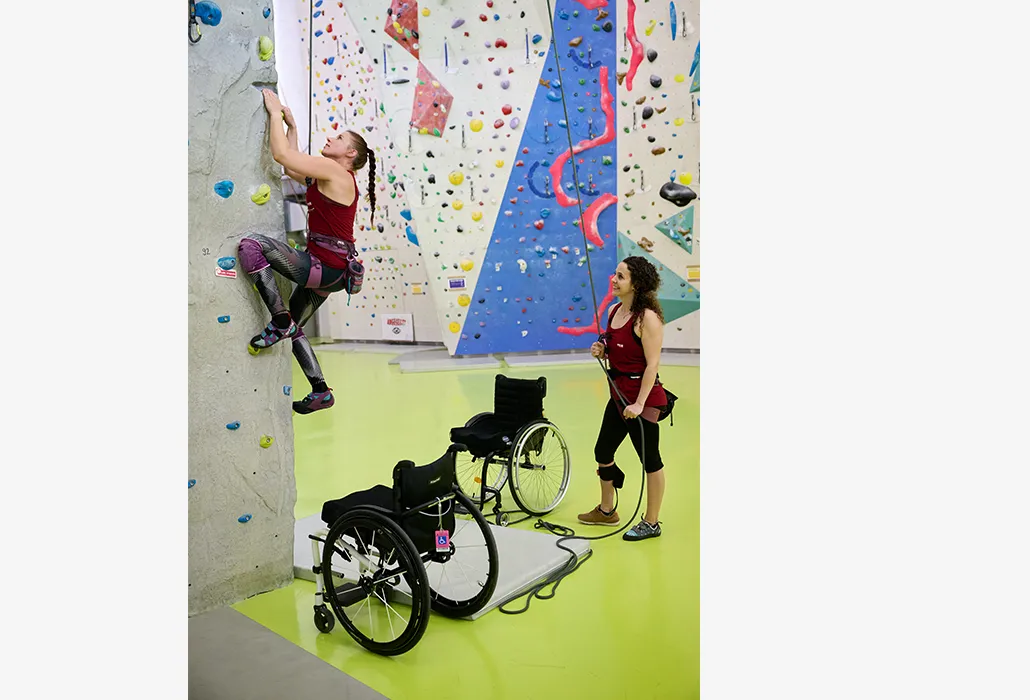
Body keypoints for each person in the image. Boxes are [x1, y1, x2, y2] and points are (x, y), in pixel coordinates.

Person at [237, 89, 375, 414]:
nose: (331, 137)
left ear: (350, 153)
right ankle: (321, 390)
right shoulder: (334, 177)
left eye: (338, 137)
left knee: (251, 246)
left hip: (323, 266)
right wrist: (292, 127)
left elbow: (282, 157)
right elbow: (294, 167)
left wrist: (272, 113)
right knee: (296, 328)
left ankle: (279, 320)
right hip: (332, 274)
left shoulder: (337, 173)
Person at [579, 256, 668, 541]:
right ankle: (607, 512)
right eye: (615, 274)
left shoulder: (648, 319)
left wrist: (639, 404)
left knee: (650, 461)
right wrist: (602, 349)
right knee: (603, 452)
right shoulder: (616, 310)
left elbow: (651, 365)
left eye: (620, 276)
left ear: (636, 284)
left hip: (643, 400)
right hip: (618, 396)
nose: (613, 280)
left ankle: (651, 522)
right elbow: (615, 344)